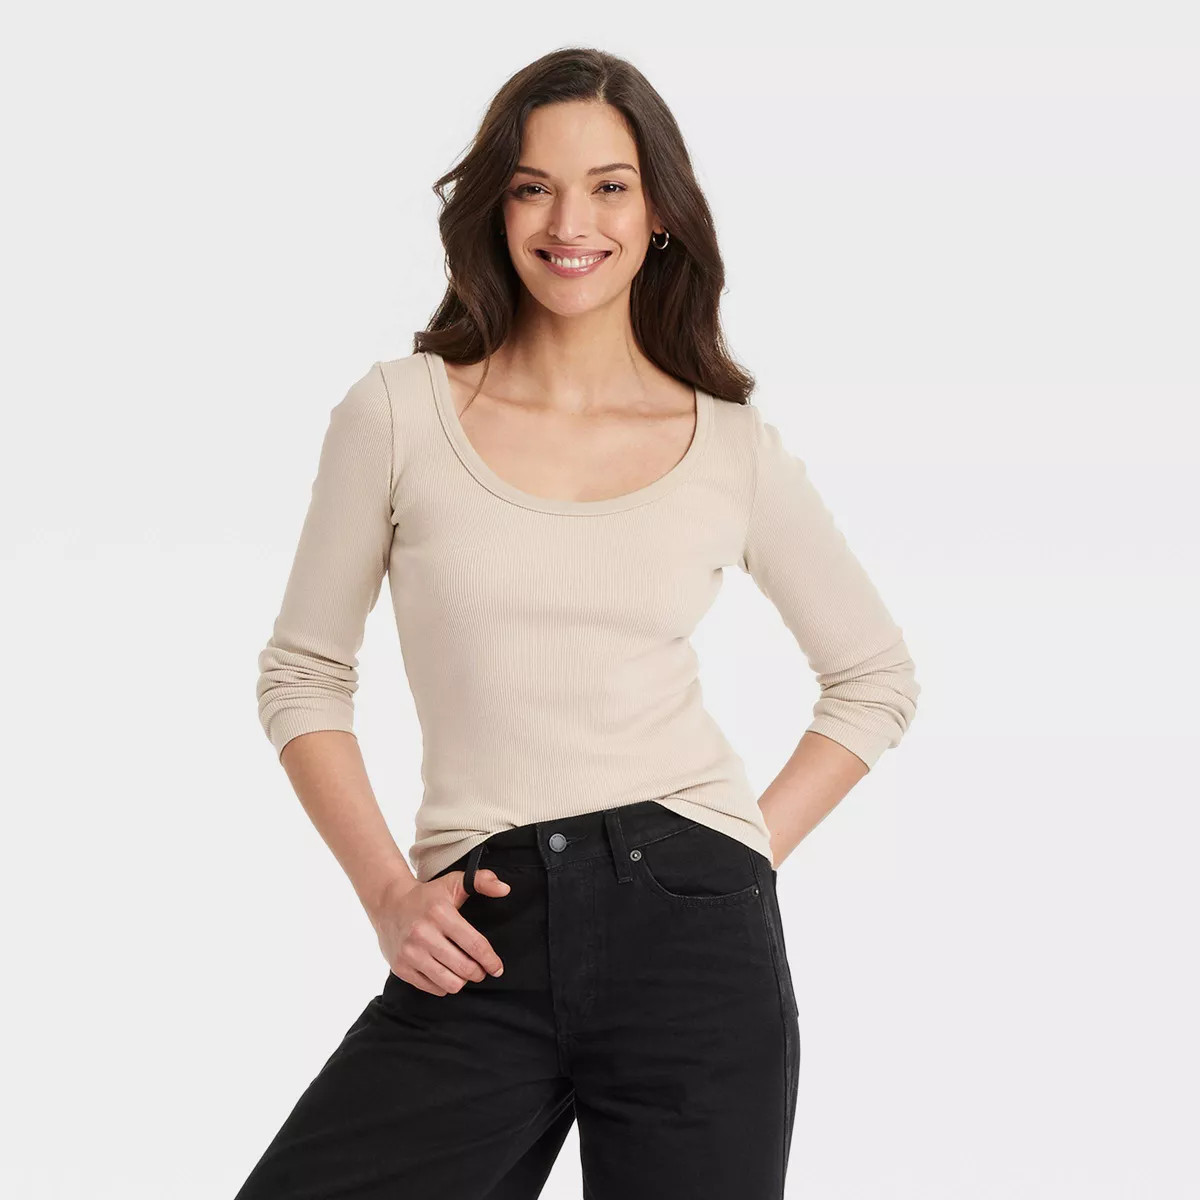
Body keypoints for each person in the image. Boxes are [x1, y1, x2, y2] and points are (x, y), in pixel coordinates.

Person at [236, 46, 919, 1200]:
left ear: (659, 213)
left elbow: (875, 678)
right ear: (495, 208)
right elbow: (303, 676)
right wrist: (389, 896)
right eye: (533, 187)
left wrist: (734, 859)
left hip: (696, 945)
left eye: (609, 186)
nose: (570, 223)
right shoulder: (399, 413)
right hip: (481, 935)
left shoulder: (729, 445)